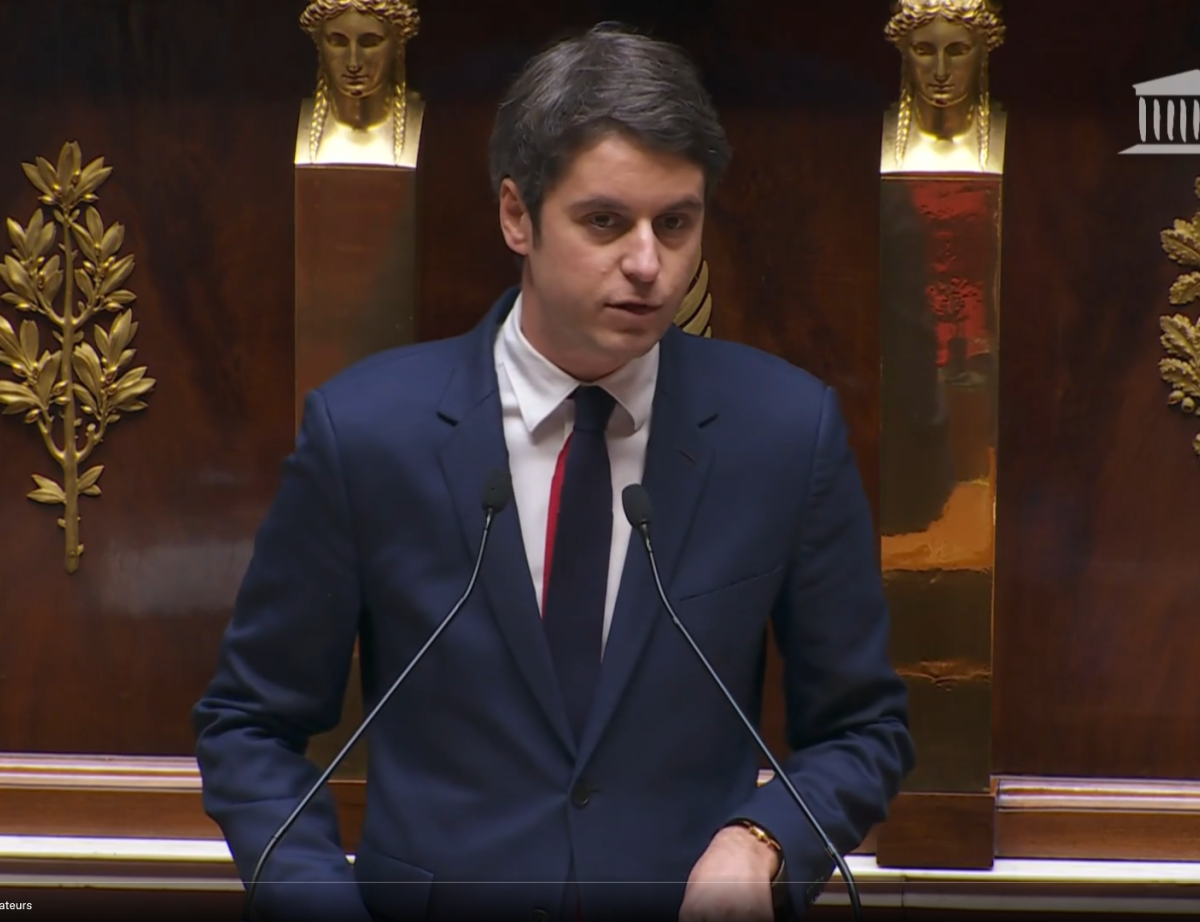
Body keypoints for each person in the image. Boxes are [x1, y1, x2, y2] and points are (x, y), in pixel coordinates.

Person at [193, 21, 915, 922]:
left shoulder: (783, 432)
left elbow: (863, 730)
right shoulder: (369, 433)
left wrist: (764, 841)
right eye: (605, 221)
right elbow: (249, 727)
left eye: (676, 224)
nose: (649, 265)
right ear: (516, 216)